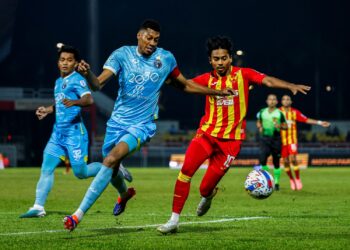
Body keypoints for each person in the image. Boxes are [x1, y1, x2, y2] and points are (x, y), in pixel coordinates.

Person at [63, 20, 234, 231]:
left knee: (110, 159)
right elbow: (97, 85)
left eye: (156, 39)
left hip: (142, 125)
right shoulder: (121, 55)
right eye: (149, 38)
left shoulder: (166, 58)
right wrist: (86, 73)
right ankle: (124, 194)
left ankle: (76, 216)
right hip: (117, 122)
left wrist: (216, 93)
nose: (152, 42)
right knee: (113, 166)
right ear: (139, 35)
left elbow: (186, 85)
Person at [157, 36, 310, 234]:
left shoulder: (244, 75)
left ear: (230, 58)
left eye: (223, 58)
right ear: (210, 61)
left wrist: (289, 85)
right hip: (206, 135)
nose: (220, 63)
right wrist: (166, 77)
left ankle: (208, 196)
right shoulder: (206, 79)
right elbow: (185, 85)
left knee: (205, 188)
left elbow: (268, 81)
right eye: (216, 59)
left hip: (231, 143)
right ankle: (173, 220)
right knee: (185, 172)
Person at [19, 45, 132, 218]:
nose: (65, 63)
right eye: (62, 60)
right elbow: (61, 103)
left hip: (74, 134)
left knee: (81, 173)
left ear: (76, 63)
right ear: (58, 62)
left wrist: (75, 102)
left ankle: (114, 166)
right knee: (46, 168)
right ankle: (38, 206)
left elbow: (89, 99)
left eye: (70, 60)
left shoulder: (77, 79)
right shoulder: (58, 82)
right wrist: (48, 110)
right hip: (58, 134)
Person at [279, 95, 330, 190]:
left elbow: (306, 119)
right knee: (285, 162)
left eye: (288, 99)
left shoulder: (294, 112)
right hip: (281, 141)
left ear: (291, 102)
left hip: (292, 140)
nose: (286, 101)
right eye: (284, 99)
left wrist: (320, 122)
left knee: (293, 159)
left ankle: (297, 179)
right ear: (281, 101)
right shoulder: (278, 112)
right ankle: (291, 179)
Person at [256, 94, 287, 191]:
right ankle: (266, 181)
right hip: (265, 139)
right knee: (262, 159)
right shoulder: (262, 112)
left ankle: (276, 183)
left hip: (276, 139)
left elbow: (286, 126)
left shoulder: (280, 113)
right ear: (267, 101)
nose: (272, 101)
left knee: (276, 161)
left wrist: (280, 126)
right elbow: (258, 121)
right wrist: (260, 126)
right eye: (270, 99)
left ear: (277, 102)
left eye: (274, 99)